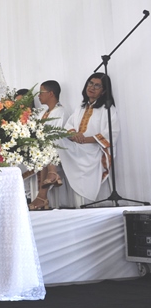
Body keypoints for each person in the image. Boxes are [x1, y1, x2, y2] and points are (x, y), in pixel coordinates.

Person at [57, 72, 119, 204]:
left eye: (97, 86)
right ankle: (53, 175)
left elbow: (111, 133)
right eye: (90, 83)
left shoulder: (107, 109)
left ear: (104, 91)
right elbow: (68, 125)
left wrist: (85, 140)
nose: (92, 87)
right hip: (78, 146)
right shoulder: (80, 107)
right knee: (54, 138)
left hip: (95, 150)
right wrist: (74, 135)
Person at [28, 80, 66, 210]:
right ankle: (52, 174)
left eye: (41, 92)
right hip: (45, 150)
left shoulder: (61, 111)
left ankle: (42, 196)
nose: (39, 96)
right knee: (44, 150)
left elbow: (57, 135)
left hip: (60, 149)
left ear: (51, 93)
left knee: (46, 148)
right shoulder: (42, 112)